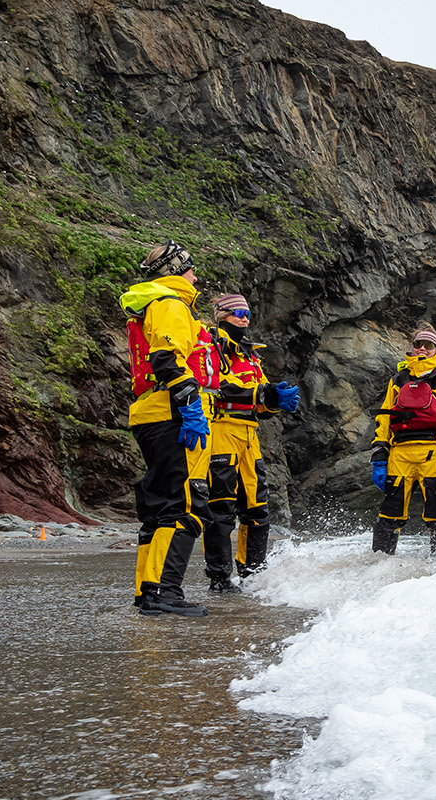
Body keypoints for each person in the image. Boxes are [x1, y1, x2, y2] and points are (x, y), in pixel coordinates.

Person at [119, 240, 216, 616]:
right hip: (173, 414)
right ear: (177, 272)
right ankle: (164, 593)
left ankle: (148, 590)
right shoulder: (172, 303)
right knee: (186, 504)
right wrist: (190, 407)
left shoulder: (150, 305)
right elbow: (168, 359)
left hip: (150, 413)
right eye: (190, 269)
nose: (195, 277)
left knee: (159, 508)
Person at [203, 293, 300, 592]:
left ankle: (253, 574)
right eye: (237, 313)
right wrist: (265, 394)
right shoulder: (211, 346)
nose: (244, 318)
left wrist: (276, 400)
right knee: (221, 509)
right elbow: (219, 388)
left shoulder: (250, 354)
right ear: (220, 314)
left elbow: (261, 404)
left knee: (257, 509)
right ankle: (219, 578)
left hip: (248, 435)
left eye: (246, 313)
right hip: (220, 431)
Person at [370, 322, 436, 554]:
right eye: (418, 344)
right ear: (412, 347)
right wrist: (379, 457)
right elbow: (384, 420)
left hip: (432, 453)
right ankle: (379, 565)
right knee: (389, 513)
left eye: (429, 345)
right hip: (399, 455)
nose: (423, 349)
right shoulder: (398, 379)